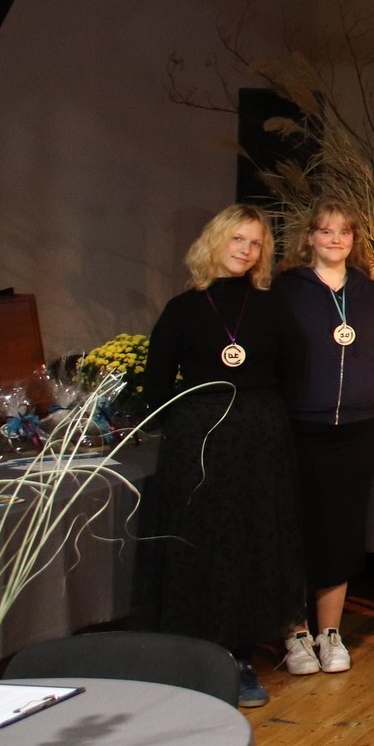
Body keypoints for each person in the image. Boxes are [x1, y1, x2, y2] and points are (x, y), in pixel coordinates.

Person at [139, 205, 305, 707]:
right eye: (238, 239)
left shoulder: (273, 307)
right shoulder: (182, 309)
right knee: (200, 546)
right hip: (199, 446)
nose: (246, 250)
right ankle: (191, 657)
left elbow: (295, 373)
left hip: (260, 445)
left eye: (255, 244)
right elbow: (155, 388)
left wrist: (262, 417)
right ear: (216, 240)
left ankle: (239, 659)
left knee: (250, 546)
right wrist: (194, 422)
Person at [276, 197, 374, 676]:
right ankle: (294, 632)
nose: (334, 239)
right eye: (325, 231)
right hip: (300, 428)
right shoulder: (287, 290)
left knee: (343, 533)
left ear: (354, 240)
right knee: (297, 531)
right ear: (310, 237)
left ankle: (330, 633)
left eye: (343, 232)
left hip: (357, 431)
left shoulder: (372, 295)